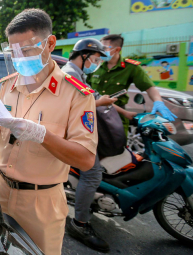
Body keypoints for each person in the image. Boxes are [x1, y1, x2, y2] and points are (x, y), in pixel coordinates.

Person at [0, 9, 98, 254]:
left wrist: (43, 136)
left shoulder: (76, 94)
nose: (19, 57)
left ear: (50, 43)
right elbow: (4, 132)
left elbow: (85, 159)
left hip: (41, 201)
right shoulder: (8, 85)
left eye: (26, 50)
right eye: (13, 51)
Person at [61, 38, 139, 252]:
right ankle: (79, 224)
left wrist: (117, 108)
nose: (95, 62)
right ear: (84, 55)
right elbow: (71, 107)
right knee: (93, 173)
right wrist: (99, 102)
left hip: (83, 130)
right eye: (94, 58)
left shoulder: (79, 74)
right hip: (74, 134)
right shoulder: (70, 73)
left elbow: (88, 97)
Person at [88, 34, 176, 135]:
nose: (101, 50)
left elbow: (149, 87)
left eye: (104, 48)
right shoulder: (94, 65)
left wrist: (158, 102)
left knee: (117, 146)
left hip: (116, 115)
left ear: (117, 50)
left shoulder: (131, 67)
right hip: (93, 113)